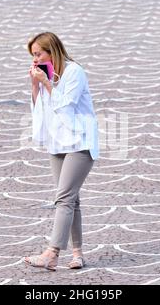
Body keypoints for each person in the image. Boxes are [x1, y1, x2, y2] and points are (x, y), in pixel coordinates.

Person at [24, 32, 99, 271]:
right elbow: (41, 110)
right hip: (58, 143)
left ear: (51, 51)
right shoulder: (46, 74)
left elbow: (65, 105)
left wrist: (47, 83)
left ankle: (52, 252)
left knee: (63, 199)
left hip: (80, 142)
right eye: (33, 55)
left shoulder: (74, 72)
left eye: (38, 54)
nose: (35, 60)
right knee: (72, 200)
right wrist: (35, 84)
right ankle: (77, 254)